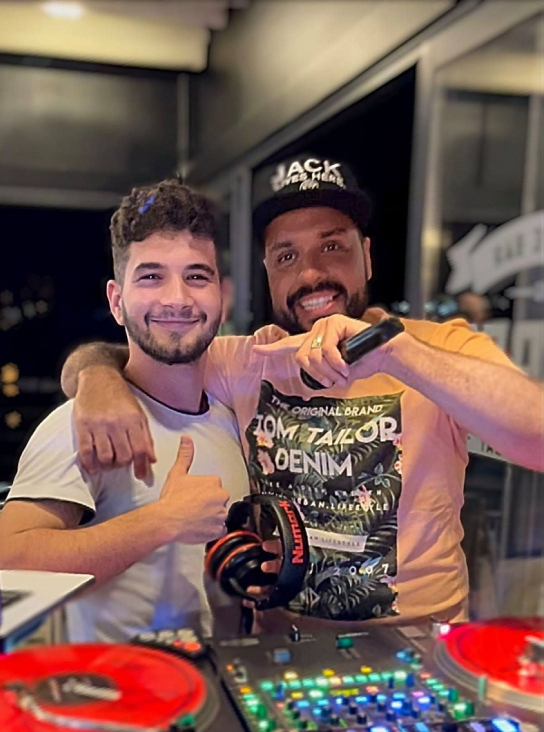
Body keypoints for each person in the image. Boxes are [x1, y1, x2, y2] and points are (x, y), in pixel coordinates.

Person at [60, 154, 543, 627]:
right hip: (281, 649)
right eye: (286, 256)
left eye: (332, 246)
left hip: (420, 648)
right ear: (268, 271)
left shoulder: (435, 347)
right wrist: (98, 378)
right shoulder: (246, 359)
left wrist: (394, 353)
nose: (310, 274)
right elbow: (133, 355)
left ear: (367, 256)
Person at [0, 180, 249, 642]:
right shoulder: (81, 423)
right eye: (151, 277)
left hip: (233, 681)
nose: (177, 298)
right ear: (116, 301)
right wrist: (162, 522)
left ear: (223, 296)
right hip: (121, 686)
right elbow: (9, 564)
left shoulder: (233, 415)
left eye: (197, 276)